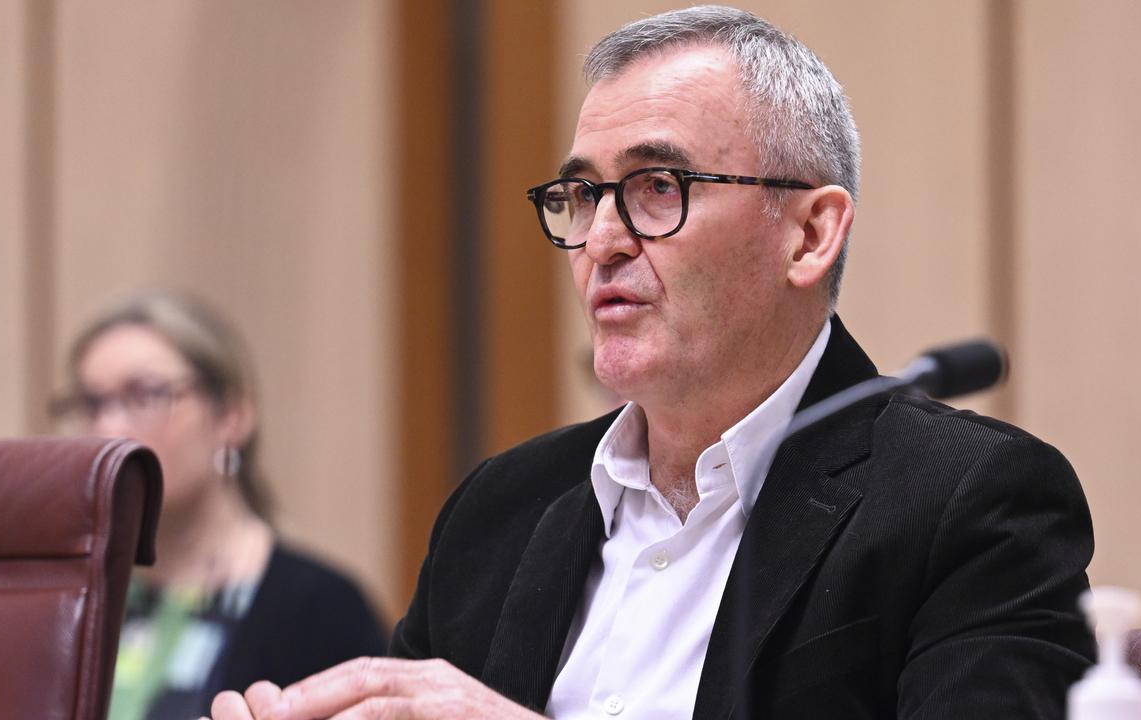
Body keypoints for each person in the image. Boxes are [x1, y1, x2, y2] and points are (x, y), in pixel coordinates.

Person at [210, 6, 1095, 719]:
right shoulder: (502, 509)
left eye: (656, 188)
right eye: (581, 195)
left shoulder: (966, 503)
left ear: (811, 233)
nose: (600, 240)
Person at [51, 290, 387, 720]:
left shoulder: (320, 607)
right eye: (91, 404)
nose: (109, 427)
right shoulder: (70, 598)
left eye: (146, 395)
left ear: (231, 416)